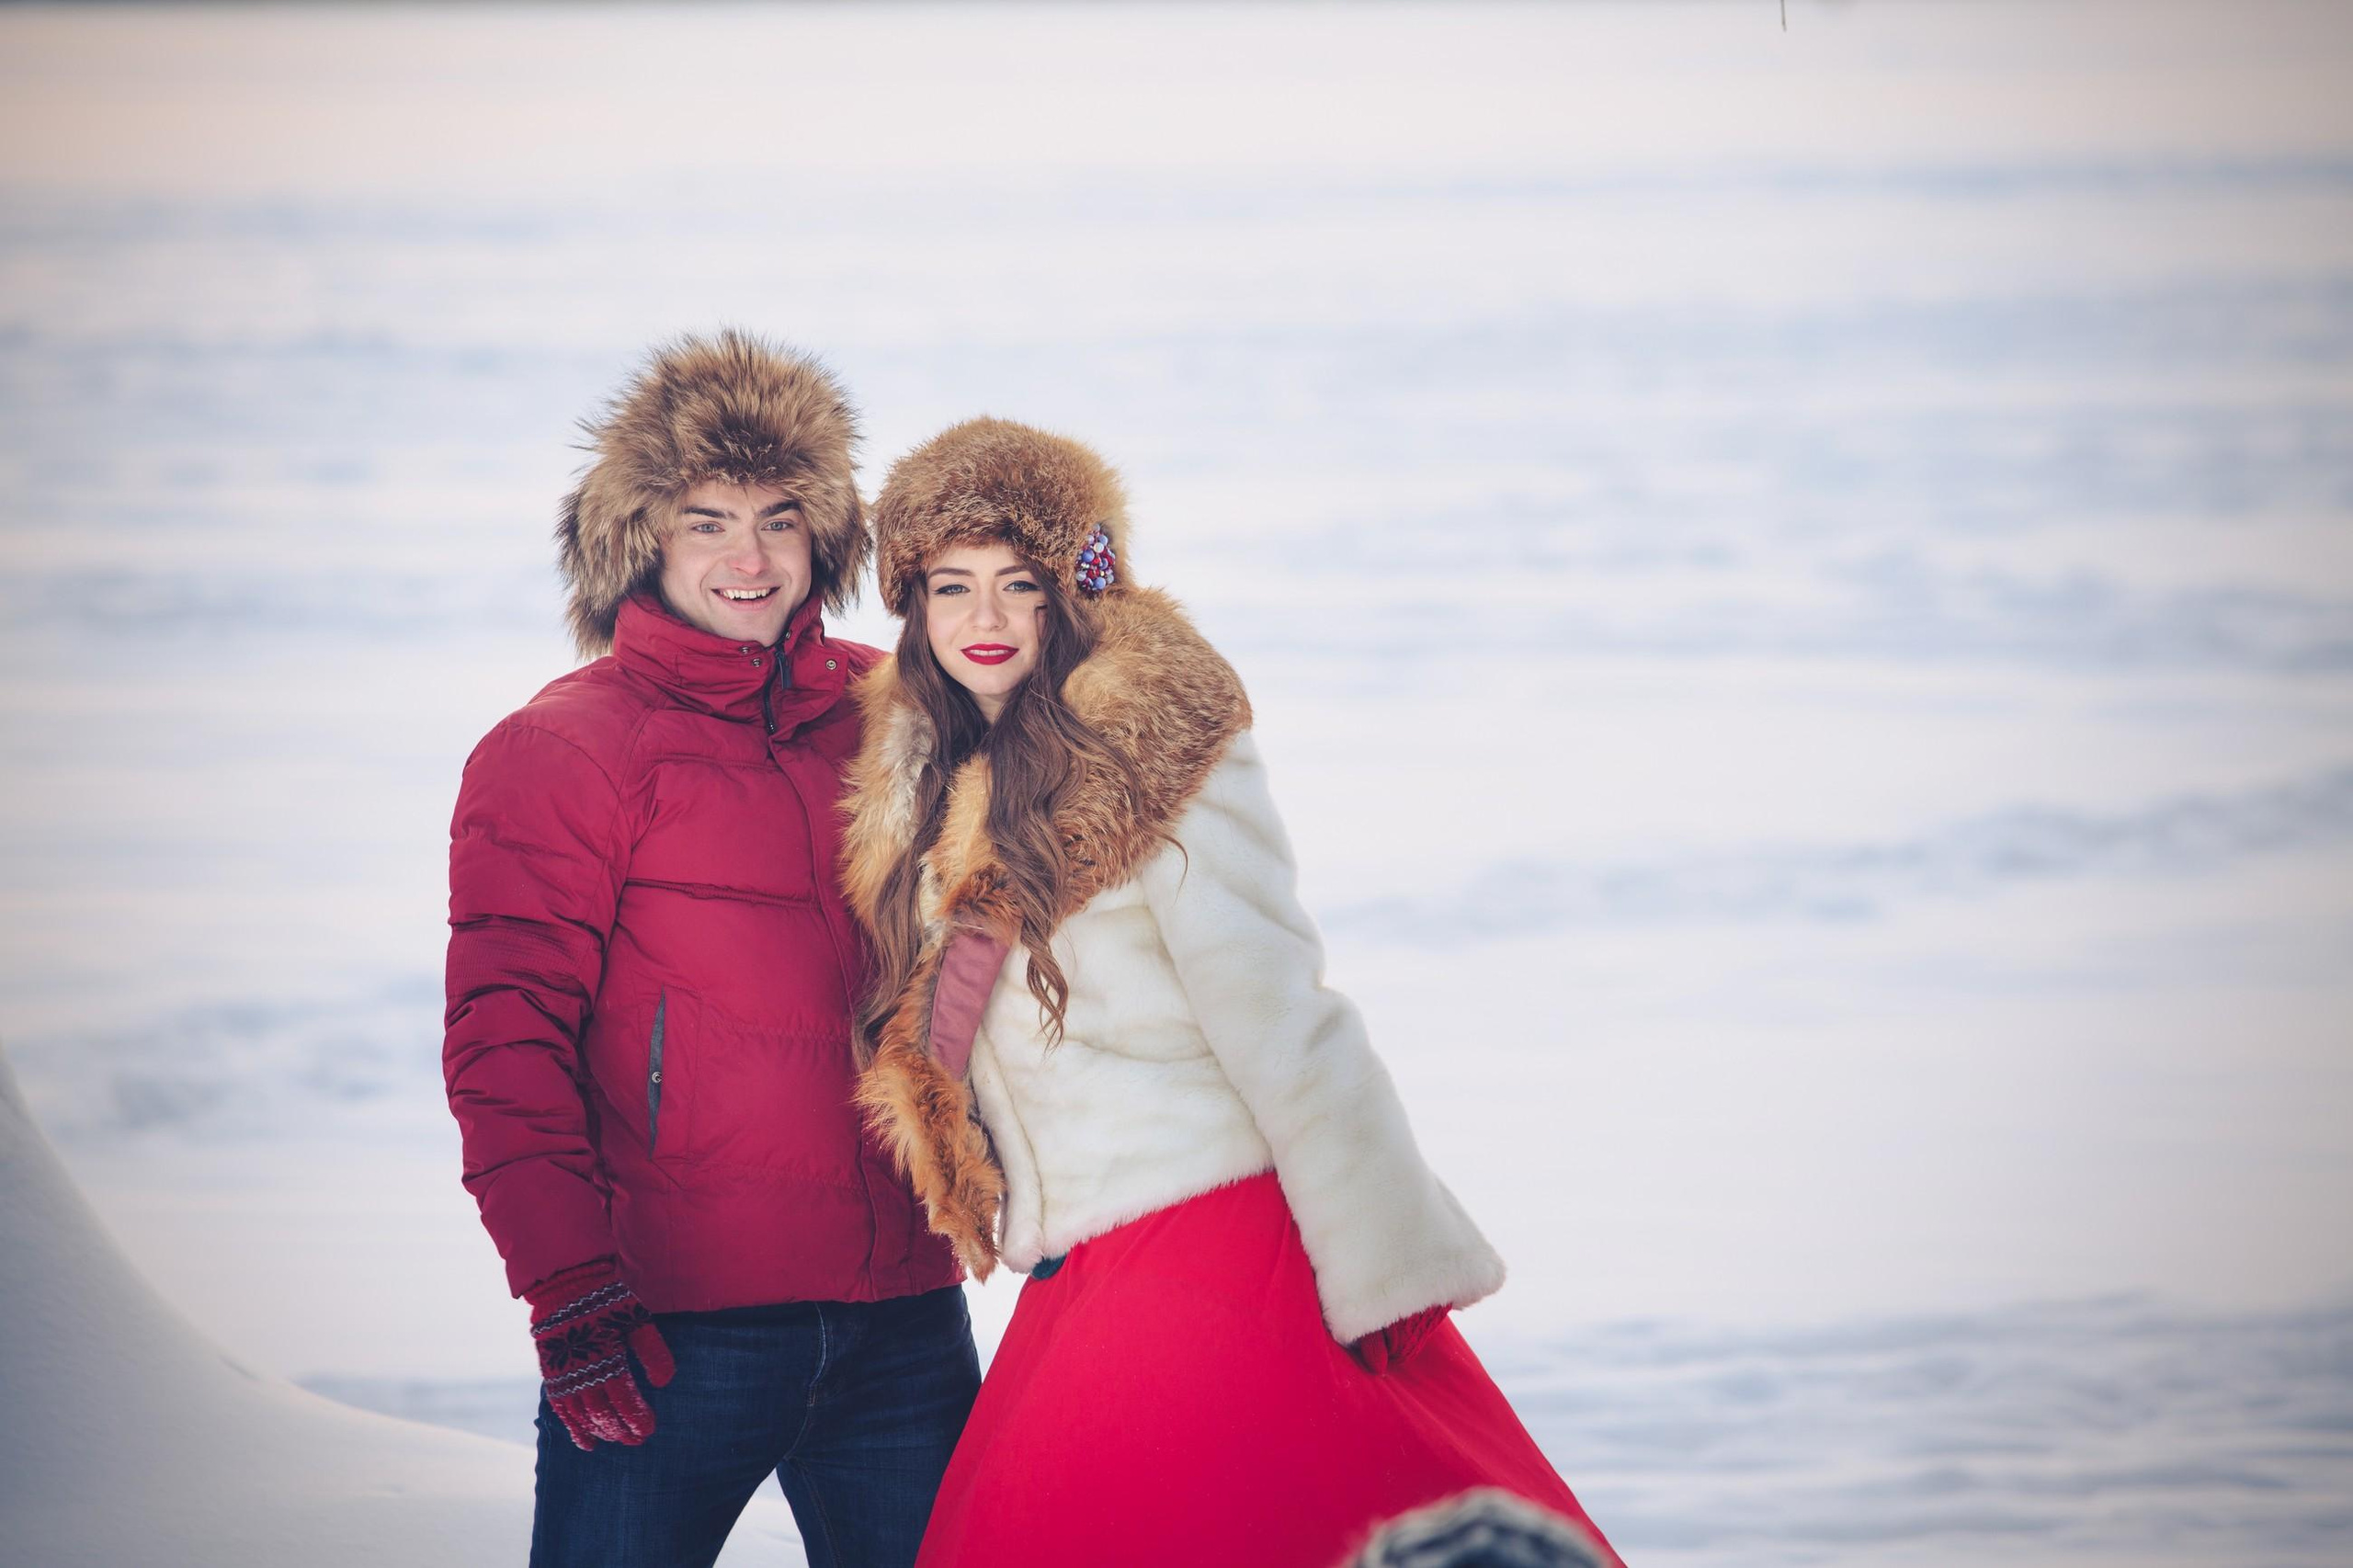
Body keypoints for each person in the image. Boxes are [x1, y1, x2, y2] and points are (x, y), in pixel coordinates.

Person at [835, 416, 1624, 1568]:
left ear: (1076, 590)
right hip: (1076, 1267)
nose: (987, 620)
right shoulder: (933, 778)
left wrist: (1382, 1260)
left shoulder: (1164, 758)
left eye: (1021, 584)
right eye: (951, 588)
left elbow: (1284, 1015)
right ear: (913, 610)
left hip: (1204, 1241)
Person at [441, 332, 979, 1568]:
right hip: (670, 1327)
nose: (750, 557)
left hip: (903, 1307)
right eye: (707, 521)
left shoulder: (895, 705)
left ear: (825, 536)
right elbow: (503, 1038)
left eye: (781, 518)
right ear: (641, 539)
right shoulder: (565, 750)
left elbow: (1012, 925)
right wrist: (568, 1289)